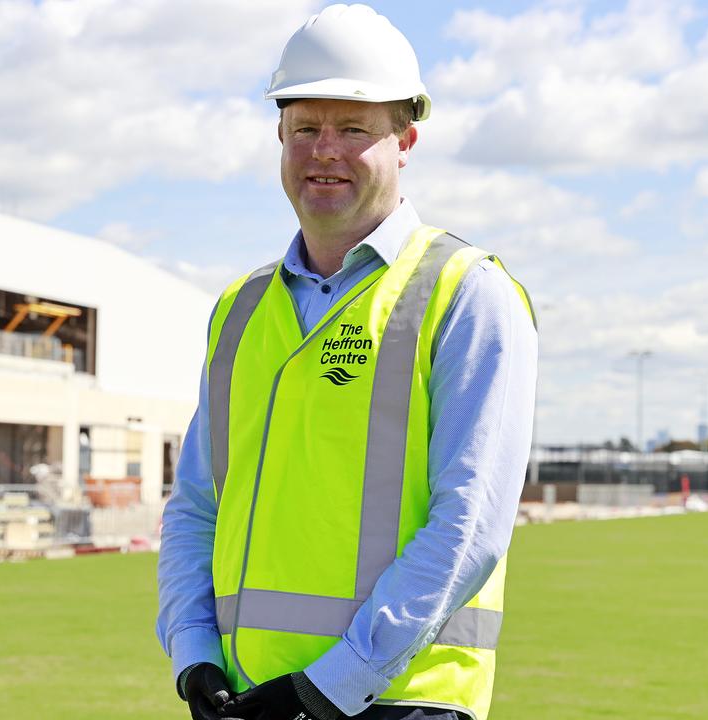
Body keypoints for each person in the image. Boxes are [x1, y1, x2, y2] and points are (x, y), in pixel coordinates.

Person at [156, 5, 538, 720]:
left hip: (401, 701)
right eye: (306, 128)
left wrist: (332, 684)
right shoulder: (238, 309)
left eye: (354, 128)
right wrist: (192, 652)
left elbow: (470, 527)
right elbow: (197, 506)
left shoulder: (467, 293)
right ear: (279, 136)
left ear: (406, 140)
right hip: (247, 699)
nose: (324, 150)